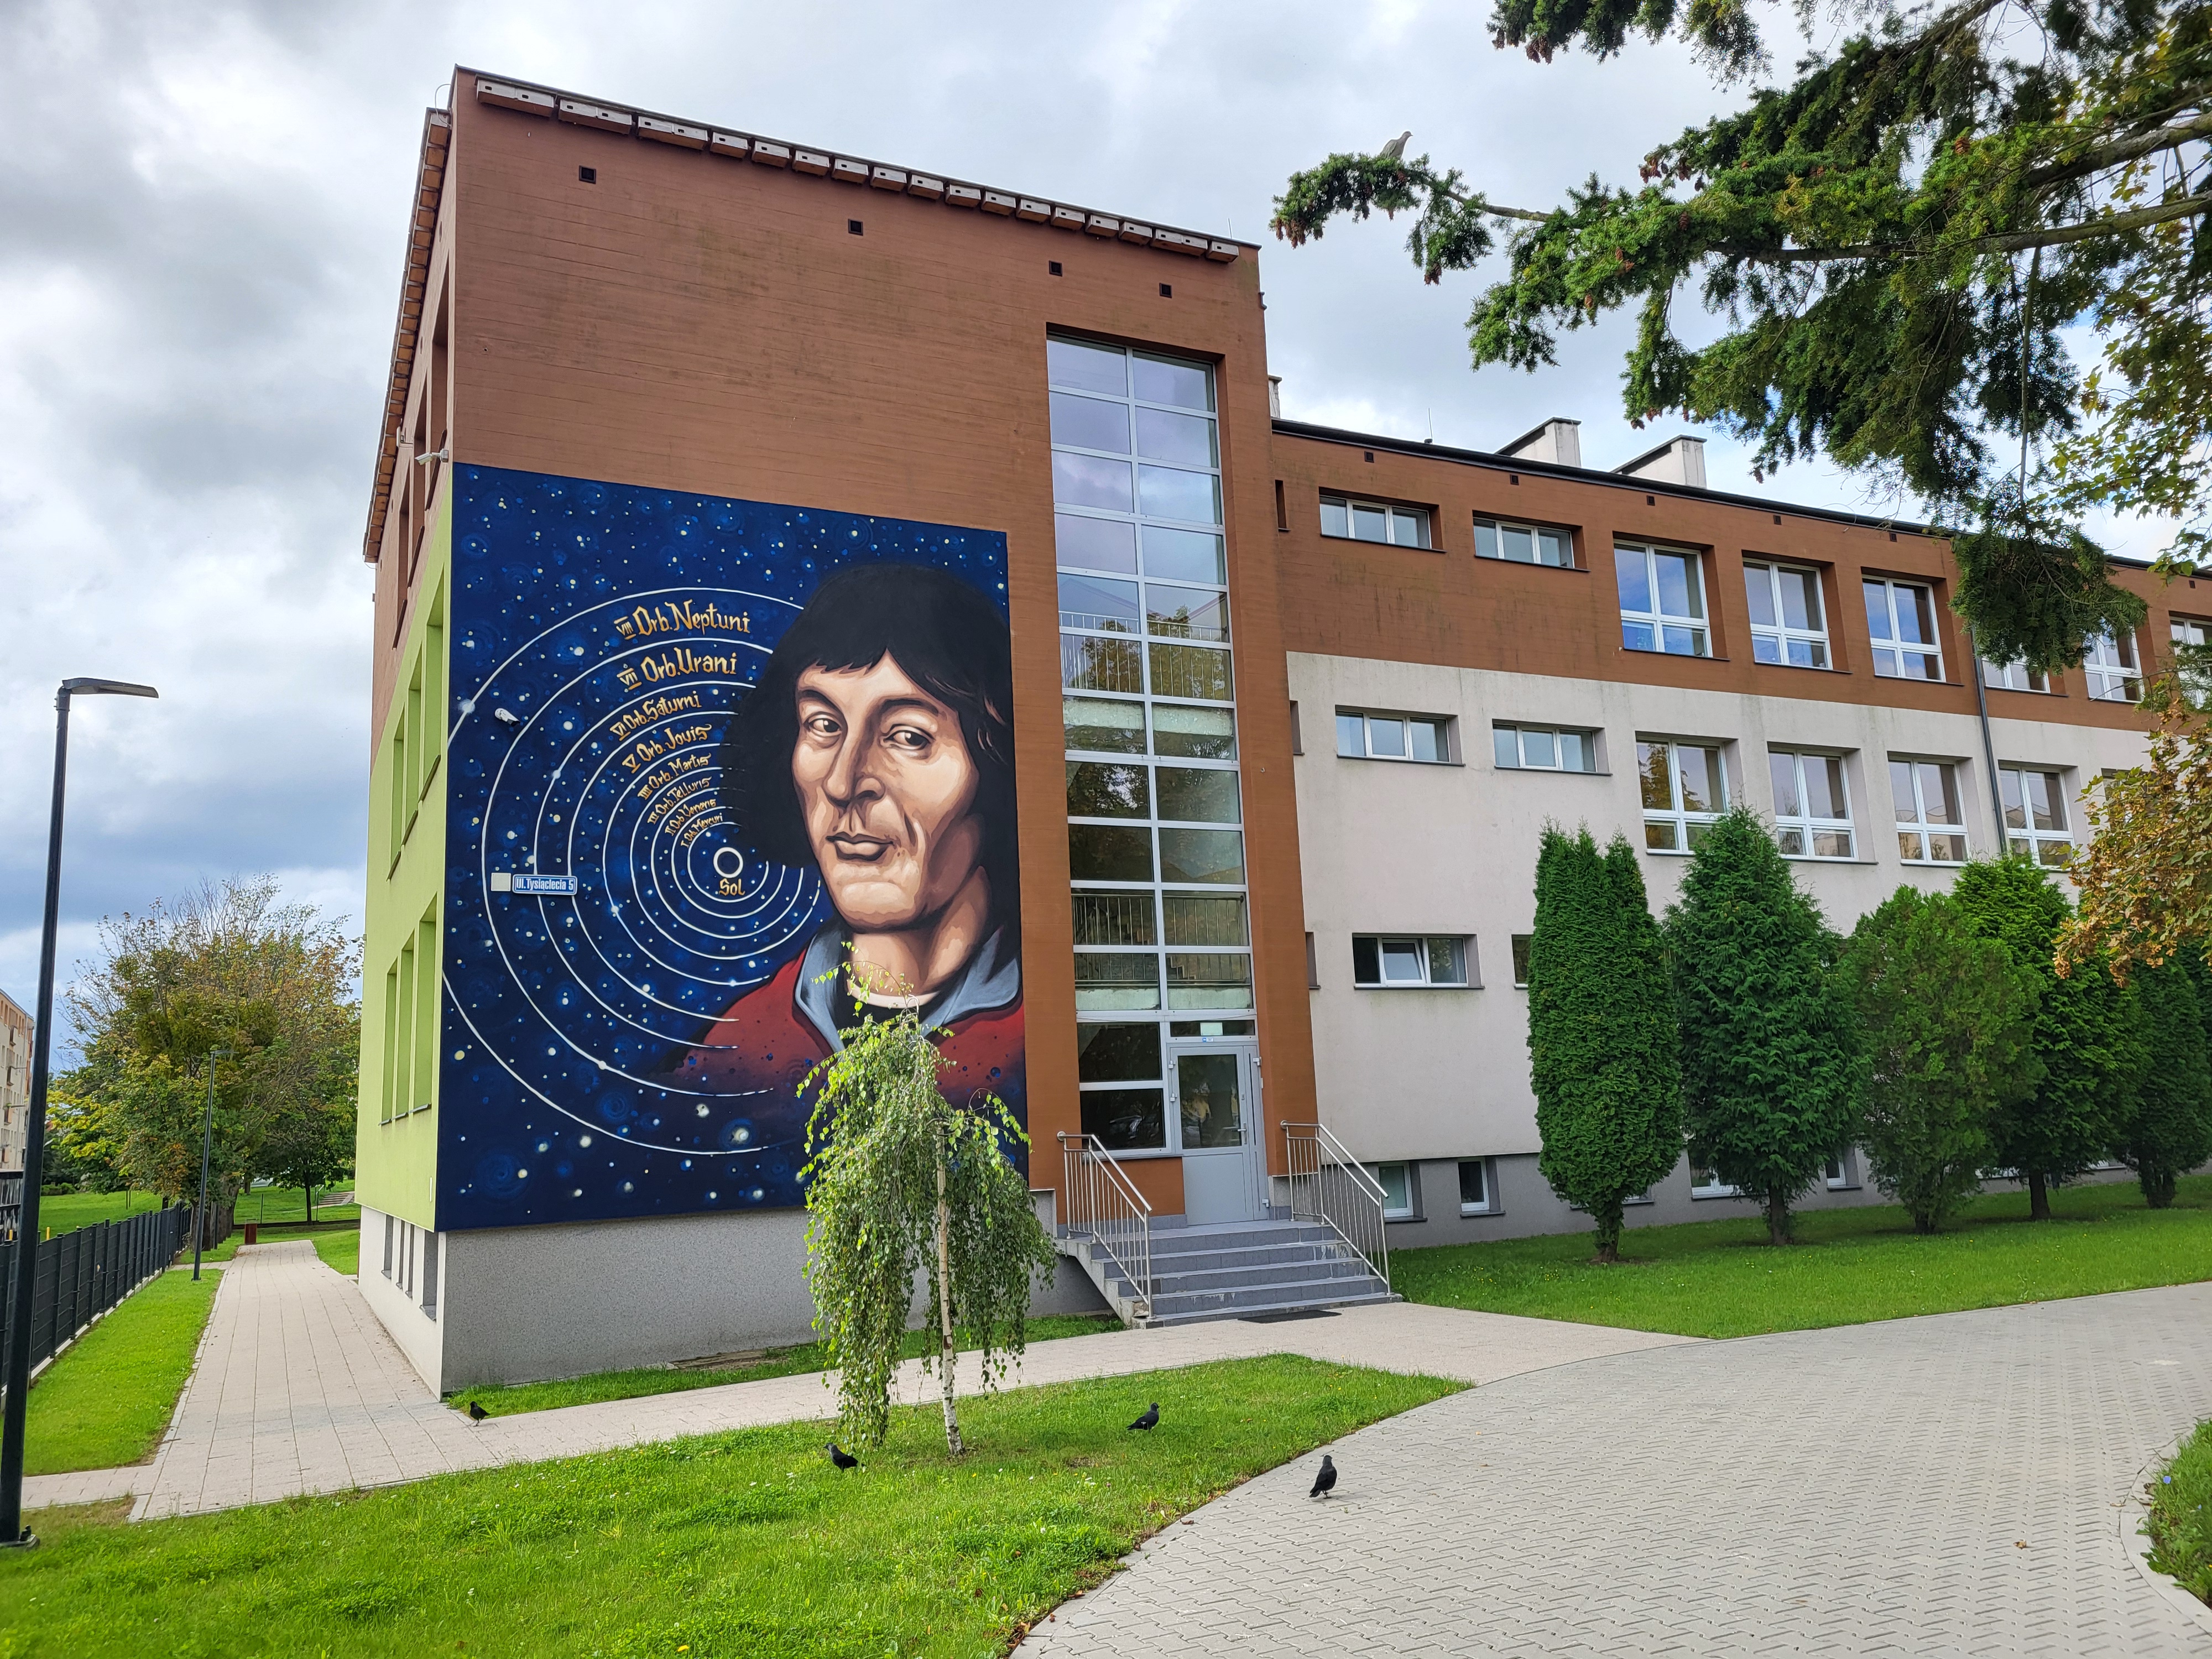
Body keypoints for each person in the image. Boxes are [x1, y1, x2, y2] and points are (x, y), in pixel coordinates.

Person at [664, 562, 1024, 1156]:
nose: (843, 781)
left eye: (909, 736)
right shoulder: (736, 1054)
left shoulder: (1041, 1037)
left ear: (996, 766)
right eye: (823, 725)